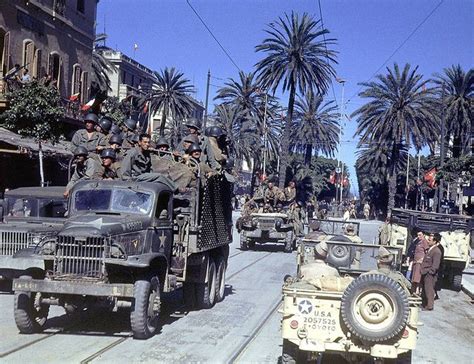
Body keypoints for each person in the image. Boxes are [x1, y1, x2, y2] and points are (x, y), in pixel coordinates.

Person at [421, 233, 442, 311]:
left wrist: (430, 272)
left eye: (430, 240)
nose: (428, 241)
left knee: (429, 290)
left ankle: (429, 306)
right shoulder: (431, 249)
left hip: (429, 274)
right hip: (425, 272)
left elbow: (435, 265)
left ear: (435, 241)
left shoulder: (437, 251)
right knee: (425, 289)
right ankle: (425, 304)